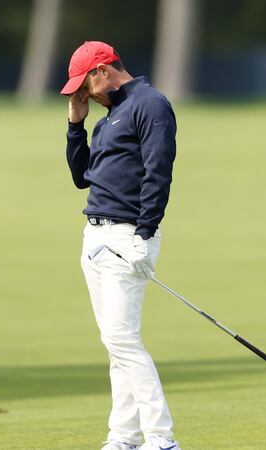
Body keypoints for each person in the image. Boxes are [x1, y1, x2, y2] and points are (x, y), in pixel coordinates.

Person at [61, 41, 181, 450]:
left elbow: (158, 172)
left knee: (122, 341)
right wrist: (76, 125)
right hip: (95, 238)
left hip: (127, 237)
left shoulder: (151, 105)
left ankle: (161, 438)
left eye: (84, 86)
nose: (84, 94)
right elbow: (83, 176)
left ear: (103, 71)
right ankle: (123, 437)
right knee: (116, 344)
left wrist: (144, 235)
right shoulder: (109, 117)